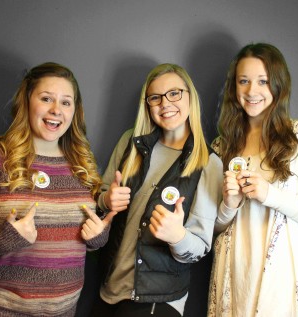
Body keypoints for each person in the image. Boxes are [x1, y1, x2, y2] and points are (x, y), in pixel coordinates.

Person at [0, 62, 112, 317]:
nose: (56, 110)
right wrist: (2, 238)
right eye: (46, 98)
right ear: (27, 101)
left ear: (74, 111)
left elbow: (85, 234)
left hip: (60, 311)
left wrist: (98, 236)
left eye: (66, 102)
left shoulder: (82, 165)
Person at [207, 43, 298, 317]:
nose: (252, 91)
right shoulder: (222, 147)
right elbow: (211, 228)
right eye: (244, 81)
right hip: (236, 281)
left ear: (278, 85)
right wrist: (229, 205)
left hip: (286, 286)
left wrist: (271, 195)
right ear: (234, 88)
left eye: (263, 81)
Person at [89, 63, 222, 317]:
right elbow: (99, 199)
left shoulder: (208, 163)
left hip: (158, 301)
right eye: (155, 97)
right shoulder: (131, 143)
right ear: (147, 104)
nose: (165, 103)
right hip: (109, 289)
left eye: (174, 93)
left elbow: (200, 247)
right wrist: (106, 199)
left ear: (189, 96)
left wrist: (177, 236)